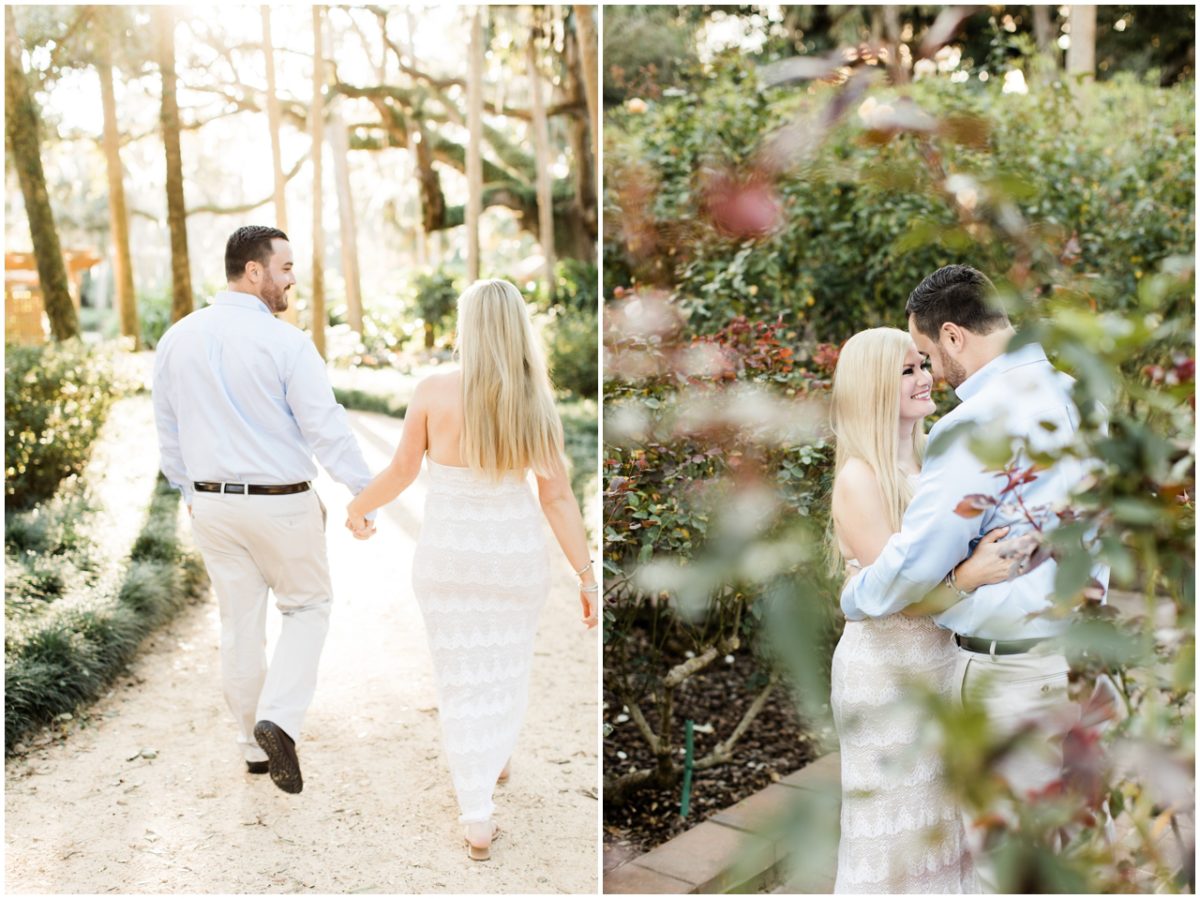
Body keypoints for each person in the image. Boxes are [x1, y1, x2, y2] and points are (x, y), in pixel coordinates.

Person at [840, 265, 1108, 890]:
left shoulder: (977, 421)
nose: (931, 372)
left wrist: (858, 594)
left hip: (1010, 673)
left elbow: (914, 564)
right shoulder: (1075, 395)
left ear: (955, 336)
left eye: (928, 355)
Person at [345, 278, 598, 861]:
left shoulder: (433, 389)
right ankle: (493, 759)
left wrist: (360, 507)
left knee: (459, 677)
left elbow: (402, 471)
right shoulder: (535, 400)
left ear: (467, 328)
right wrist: (587, 576)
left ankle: (476, 814)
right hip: (513, 561)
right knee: (504, 667)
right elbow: (558, 497)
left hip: (449, 559)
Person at [153, 225, 376, 795]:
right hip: (281, 504)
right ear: (254, 271)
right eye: (285, 268)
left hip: (212, 506)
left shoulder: (176, 338)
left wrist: (193, 496)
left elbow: (168, 435)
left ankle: (252, 748)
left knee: (240, 622)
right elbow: (326, 429)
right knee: (307, 608)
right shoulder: (287, 343)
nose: (291, 280)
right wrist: (364, 491)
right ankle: (276, 718)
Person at [829, 326, 1026, 893]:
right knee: (893, 835)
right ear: (872, 388)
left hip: (944, 665)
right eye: (908, 371)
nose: (925, 377)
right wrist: (970, 575)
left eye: (923, 365)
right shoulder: (859, 479)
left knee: (946, 833)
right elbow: (898, 598)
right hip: (885, 676)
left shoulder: (935, 457)